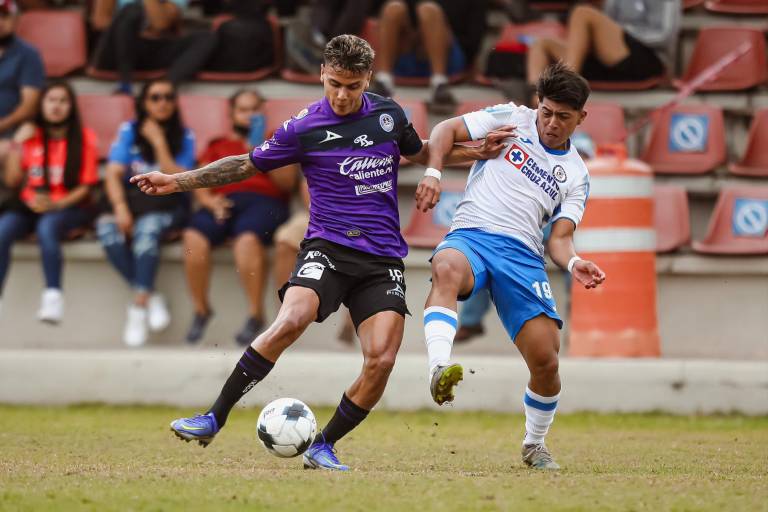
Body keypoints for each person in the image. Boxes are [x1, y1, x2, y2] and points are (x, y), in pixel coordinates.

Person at [131, 35, 508, 471]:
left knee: (382, 360)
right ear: (322, 74)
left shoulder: (388, 116)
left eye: (352, 86)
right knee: (291, 319)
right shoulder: (304, 128)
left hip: (381, 259)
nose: (342, 95)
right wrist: (177, 181)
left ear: (368, 79)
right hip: (327, 246)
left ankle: (323, 445)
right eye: (334, 84)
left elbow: (421, 151)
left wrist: (476, 152)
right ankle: (213, 417)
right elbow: (244, 164)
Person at [416, 62, 606, 470]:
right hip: (473, 233)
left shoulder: (577, 174)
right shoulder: (511, 118)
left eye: (563, 117)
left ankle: (534, 444)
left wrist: (574, 261)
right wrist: (434, 172)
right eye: (546, 112)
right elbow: (444, 130)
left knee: (546, 361)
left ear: (581, 118)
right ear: (538, 104)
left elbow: (559, 238)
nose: (551, 123)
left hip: (522, 255)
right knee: (446, 267)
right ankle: (438, 367)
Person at [454, 131, 597, 342]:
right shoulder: (539, 163)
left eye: (585, 156)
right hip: (529, 227)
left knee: (576, 270)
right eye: (580, 154)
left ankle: (579, 324)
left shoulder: (581, 178)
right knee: (489, 260)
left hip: (568, 235)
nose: (581, 159)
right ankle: (470, 321)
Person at [183, 89, 296, 346]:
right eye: (243, 110)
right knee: (193, 236)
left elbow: (287, 183)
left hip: (266, 203)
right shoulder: (217, 144)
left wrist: (260, 152)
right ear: (232, 114)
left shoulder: (278, 140)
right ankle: (201, 310)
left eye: (254, 109)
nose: (249, 115)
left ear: (263, 112)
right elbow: (199, 181)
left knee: (247, 239)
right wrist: (210, 202)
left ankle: (255, 315)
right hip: (224, 202)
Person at [98, 78, 194, 347]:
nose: (162, 103)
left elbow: (181, 178)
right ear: (144, 103)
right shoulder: (129, 130)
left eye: (168, 97)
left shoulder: (185, 135)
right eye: (155, 97)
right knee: (107, 230)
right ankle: (150, 295)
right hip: (133, 201)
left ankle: (138, 307)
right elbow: (112, 173)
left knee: (147, 230)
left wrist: (159, 141)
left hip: (168, 203)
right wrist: (120, 208)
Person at [0, 81, 99, 320]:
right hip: (30, 206)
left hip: (69, 206)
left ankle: (53, 297)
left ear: (71, 106)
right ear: (42, 105)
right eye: (51, 100)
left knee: (47, 227)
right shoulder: (31, 136)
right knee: (3, 229)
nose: (56, 106)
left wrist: (55, 205)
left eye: (63, 101)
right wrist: (16, 144)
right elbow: (13, 181)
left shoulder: (85, 138)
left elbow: (86, 187)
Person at [526, 0, 680, 91]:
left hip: (648, 58)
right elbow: (608, 24)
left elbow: (664, 35)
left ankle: (566, 87)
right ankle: (535, 100)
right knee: (541, 45)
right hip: (612, 58)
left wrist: (622, 32)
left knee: (582, 12)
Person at [368, 0, 488, 114]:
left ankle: (439, 83)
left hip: (448, 59)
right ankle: (383, 80)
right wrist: (414, 41)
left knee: (429, 10)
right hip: (404, 55)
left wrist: (434, 41)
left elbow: (474, 36)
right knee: (393, 8)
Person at [90, 0, 218, 94]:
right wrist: (128, 27)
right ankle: (125, 85)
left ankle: (165, 87)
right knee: (132, 11)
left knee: (206, 37)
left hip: (151, 47)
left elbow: (160, 24)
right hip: (115, 52)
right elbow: (100, 21)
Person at [0, 0, 44, 209]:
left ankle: (12, 211)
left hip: (14, 131)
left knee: (9, 156)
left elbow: (28, 107)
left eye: (4, 16)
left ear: (16, 20)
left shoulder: (27, 54)